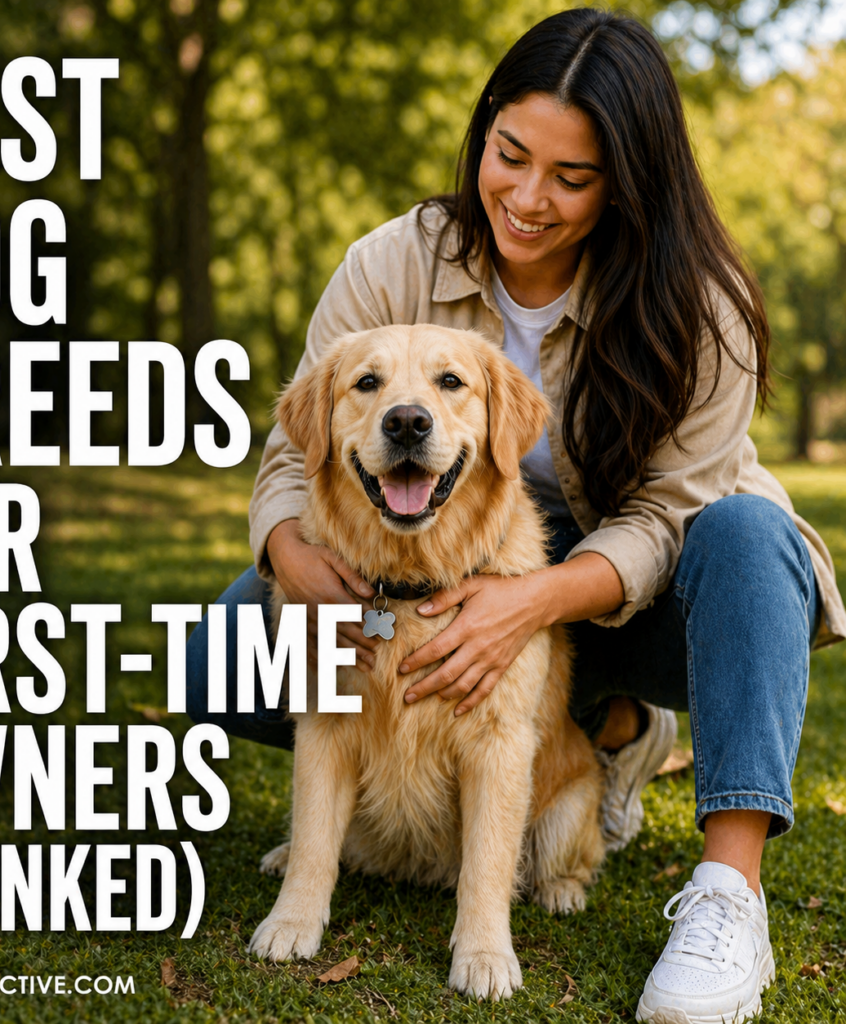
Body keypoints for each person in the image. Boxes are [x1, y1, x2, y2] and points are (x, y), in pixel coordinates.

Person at [185, 9, 846, 1023]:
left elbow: (674, 510)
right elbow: (296, 443)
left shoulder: (697, 304)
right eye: (509, 155)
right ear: (484, 130)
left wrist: (526, 602)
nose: (527, 198)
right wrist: (289, 553)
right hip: (420, 578)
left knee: (750, 536)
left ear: (628, 182)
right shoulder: (390, 262)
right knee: (221, 651)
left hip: (653, 601)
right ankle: (587, 737)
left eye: (571, 179)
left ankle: (727, 890)